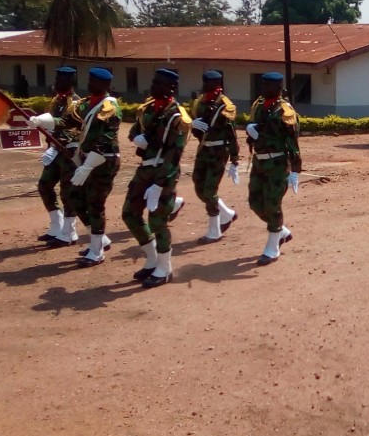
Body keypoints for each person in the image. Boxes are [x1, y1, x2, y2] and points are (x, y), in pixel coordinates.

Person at [124, 68, 190, 287]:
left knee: (157, 221)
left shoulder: (177, 116)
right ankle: (152, 258)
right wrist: (137, 138)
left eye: (159, 83)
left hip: (164, 171)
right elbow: (133, 131)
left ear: (171, 88)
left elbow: (175, 153)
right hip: (145, 169)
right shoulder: (147, 108)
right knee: (129, 214)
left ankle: (165, 267)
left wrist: (160, 184)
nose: (153, 86)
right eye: (153, 81)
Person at [63, 67, 122, 265]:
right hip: (86, 159)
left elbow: (107, 140)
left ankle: (97, 252)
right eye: (89, 80)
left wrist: (87, 166)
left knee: (95, 204)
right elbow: (67, 122)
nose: (90, 84)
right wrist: (41, 122)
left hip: (104, 161)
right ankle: (100, 240)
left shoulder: (110, 108)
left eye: (94, 81)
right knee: (75, 198)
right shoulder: (86, 104)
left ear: (105, 85)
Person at [246, 72, 302, 265]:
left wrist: (295, 170)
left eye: (268, 85)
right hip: (259, 162)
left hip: (277, 163)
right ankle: (281, 231)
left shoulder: (285, 111)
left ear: (279, 88)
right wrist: (250, 131)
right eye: (263, 84)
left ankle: (272, 247)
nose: (264, 88)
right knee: (254, 202)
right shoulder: (258, 106)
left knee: (272, 204)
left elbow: (292, 142)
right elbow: (254, 128)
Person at [29, 66, 80, 246]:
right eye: (56, 78)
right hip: (55, 151)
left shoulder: (76, 103)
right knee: (44, 185)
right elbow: (50, 123)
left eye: (60, 79)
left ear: (70, 81)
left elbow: (71, 125)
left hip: (70, 152)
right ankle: (56, 225)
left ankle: (69, 232)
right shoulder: (54, 101)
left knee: (67, 192)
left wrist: (45, 122)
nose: (56, 82)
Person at [190, 69, 240, 244]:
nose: (205, 85)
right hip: (203, 149)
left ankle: (214, 230)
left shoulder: (225, 106)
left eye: (209, 82)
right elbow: (197, 128)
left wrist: (235, 159)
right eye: (204, 81)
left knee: (210, 191)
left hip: (219, 151)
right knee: (198, 185)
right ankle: (227, 214)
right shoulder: (200, 102)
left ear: (218, 84)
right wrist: (192, 125)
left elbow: (231, 134)